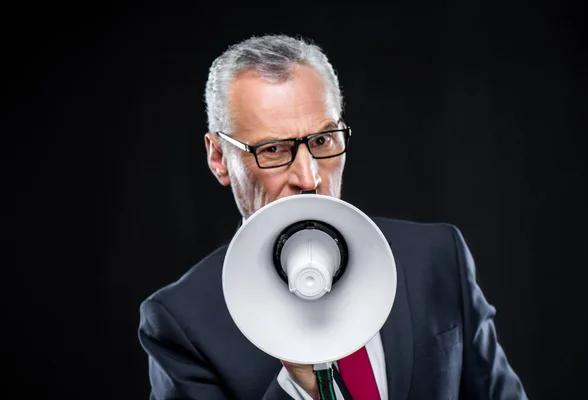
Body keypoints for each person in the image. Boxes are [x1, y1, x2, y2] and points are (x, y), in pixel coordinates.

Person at [138, 34, 528, 399]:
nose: (309, 178)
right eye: (273, 149)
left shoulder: (437, 258)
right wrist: (299, 386)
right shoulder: (183, 321)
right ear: (219, 159)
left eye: (323, 140)